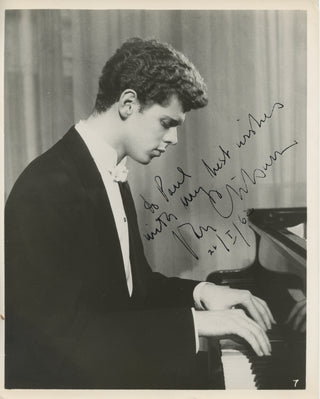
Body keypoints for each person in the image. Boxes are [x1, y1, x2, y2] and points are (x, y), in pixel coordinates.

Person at [5, 37, 275, 389]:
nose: (174, 139)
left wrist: (201, 293)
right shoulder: (46, 188)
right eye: (167, 122)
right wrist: (195, 325)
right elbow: (55, 342)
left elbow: (134, 293)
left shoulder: (108, 173)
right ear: (128, 103)